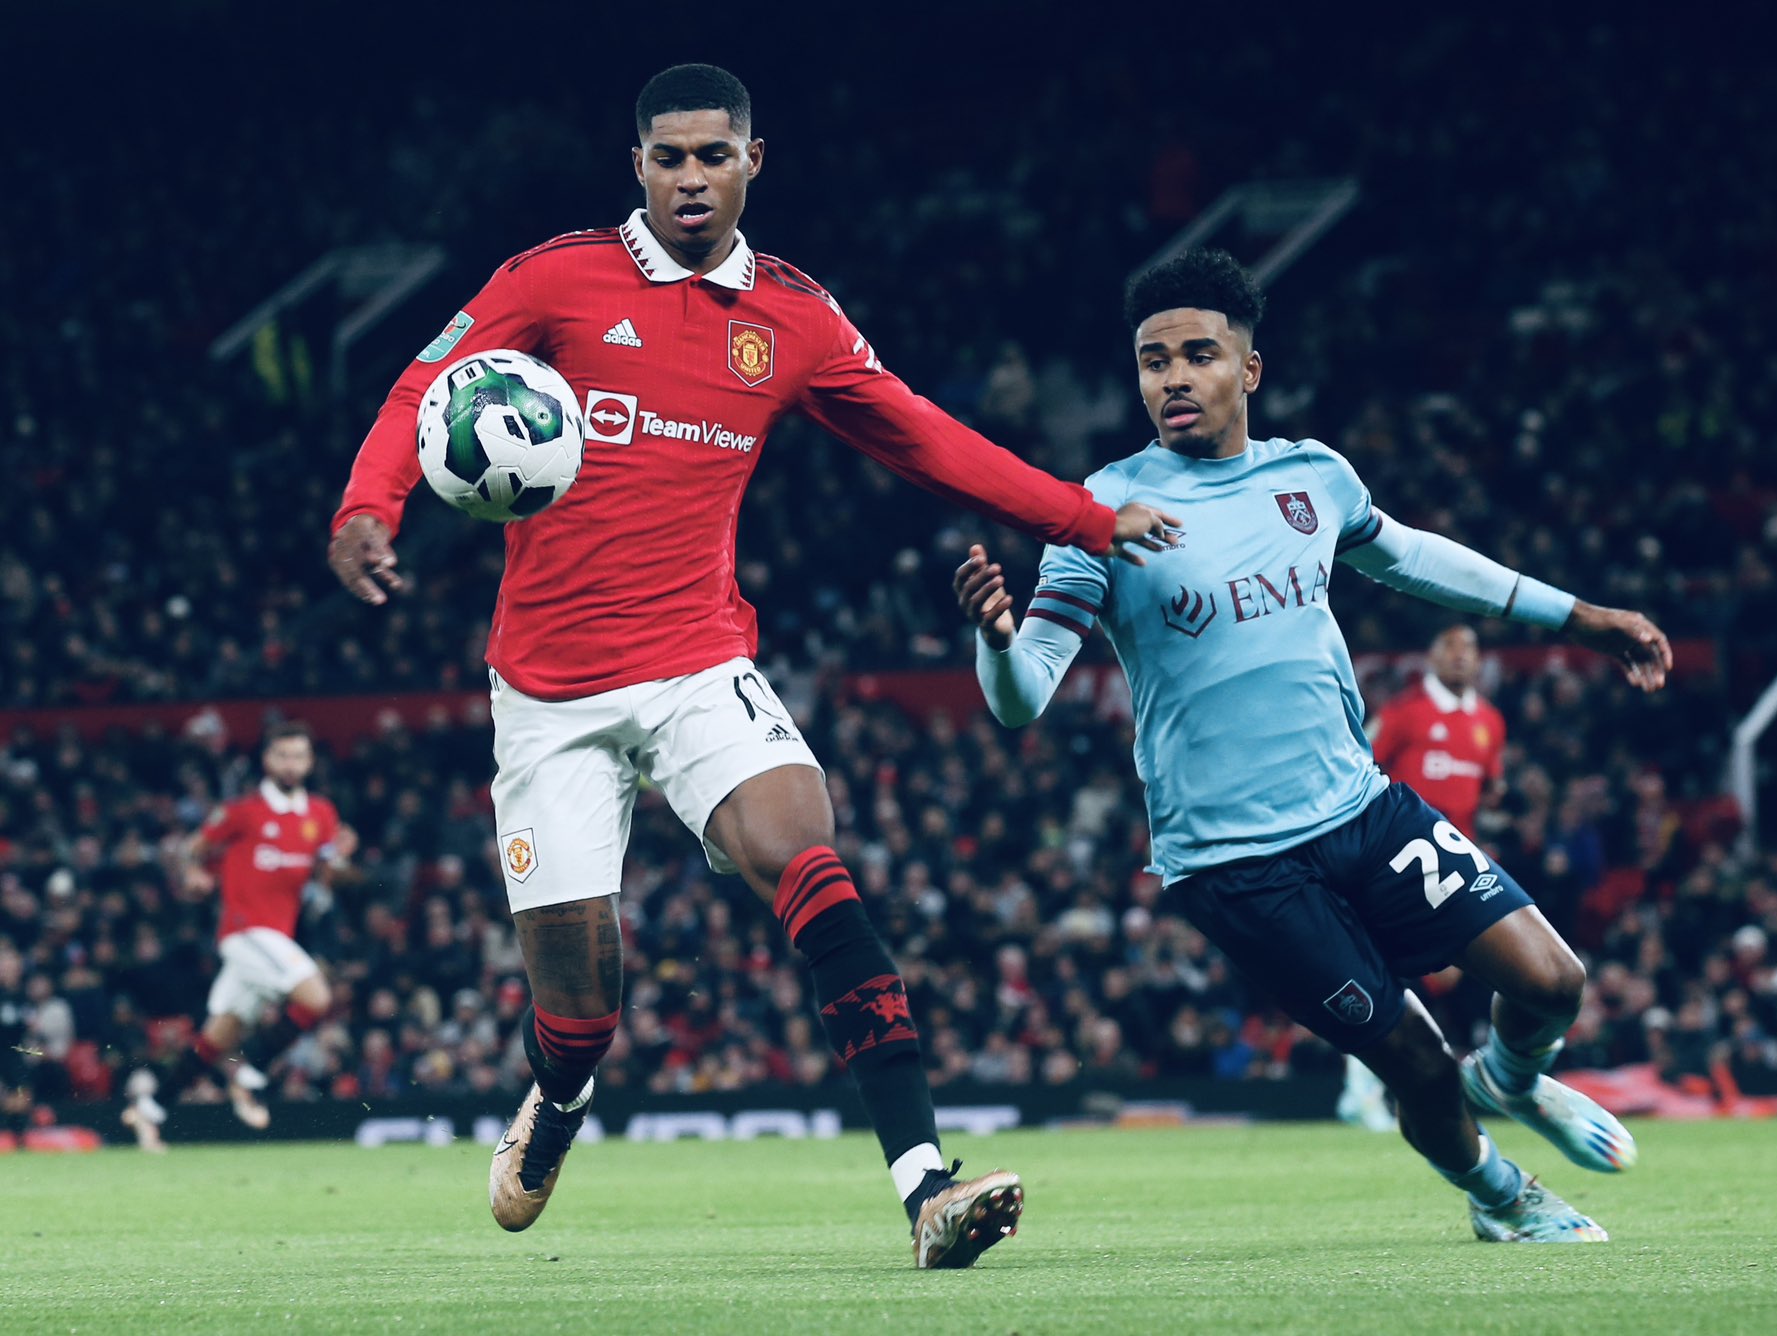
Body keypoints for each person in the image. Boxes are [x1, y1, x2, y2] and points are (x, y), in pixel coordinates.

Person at [326, 63, 1176, 1268]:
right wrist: (372, 504)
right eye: (667, 158)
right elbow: (426, 381)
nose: (688, 178)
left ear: (750, 161)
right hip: (548, 694)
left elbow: (919, 434)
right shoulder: (553, 278)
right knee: (579, 1013)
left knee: (804, 850)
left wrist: (1083, 519)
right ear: (637, 166)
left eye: (710, 156)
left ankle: (924, 1187)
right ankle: (559, 1094)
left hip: (694, 661)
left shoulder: (794, 317)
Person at [955, 249, 1670, 1243]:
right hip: (1235, 862)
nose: (1171, 377)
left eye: (1196, 354)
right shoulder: (1100, 510)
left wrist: (1576, 617)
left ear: (1247, 369)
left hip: (1360, 808)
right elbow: (1021, 696)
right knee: (1411, 1061)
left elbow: (1416, 560)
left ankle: (1506, 1077)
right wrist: (995, 645)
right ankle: (1502, 1198)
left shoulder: (1312, 475)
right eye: (1151, 360)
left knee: (1550, 979)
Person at [123, 722, 355, 1147]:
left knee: (219, 1036)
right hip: (245, 931)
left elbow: (326, 880)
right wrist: (193, 873)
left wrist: (340, 861)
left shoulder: (321, 814)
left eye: (299, 756)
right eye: (282, 755)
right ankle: (250, 1078)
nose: (291, 764)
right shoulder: (241, 812)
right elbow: (192, 848)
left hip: (275, 937)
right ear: (267, 760)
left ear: (310, 762)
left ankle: (148, 1109)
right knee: (318, 998)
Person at [1339, 625, 1506, 1132]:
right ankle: (1362, 1091)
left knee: (1465, 969)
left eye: (1470, 650)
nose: (1461, 658)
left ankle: (1485, 1080)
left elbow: (1490, 790)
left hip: (1456, 865)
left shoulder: (1490, 723)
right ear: (1431, 656)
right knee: (1380, 970)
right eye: (1451, 648)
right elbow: (1356, 762)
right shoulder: (1404, 713)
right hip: (1391, 859)